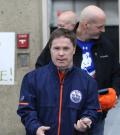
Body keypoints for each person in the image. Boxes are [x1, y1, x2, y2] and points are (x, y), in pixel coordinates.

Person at [34, 5, 120, 135]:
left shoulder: (106, 46)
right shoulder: (63, 42)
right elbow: (41, 68)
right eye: (99, 26)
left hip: (95, 114)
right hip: (66, 113)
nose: (103, 30)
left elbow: (116, 73)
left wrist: (115, 94)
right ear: (86, 25)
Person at [17, 28, 100, 135]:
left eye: (66, 48)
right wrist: (36, 128)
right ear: (50, 49)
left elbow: (93, 110)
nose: (61, 53)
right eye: (56, 48)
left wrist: (86, 120)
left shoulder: (88, 81)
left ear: (74, 50)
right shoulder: (32, 78)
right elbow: (26, 110)